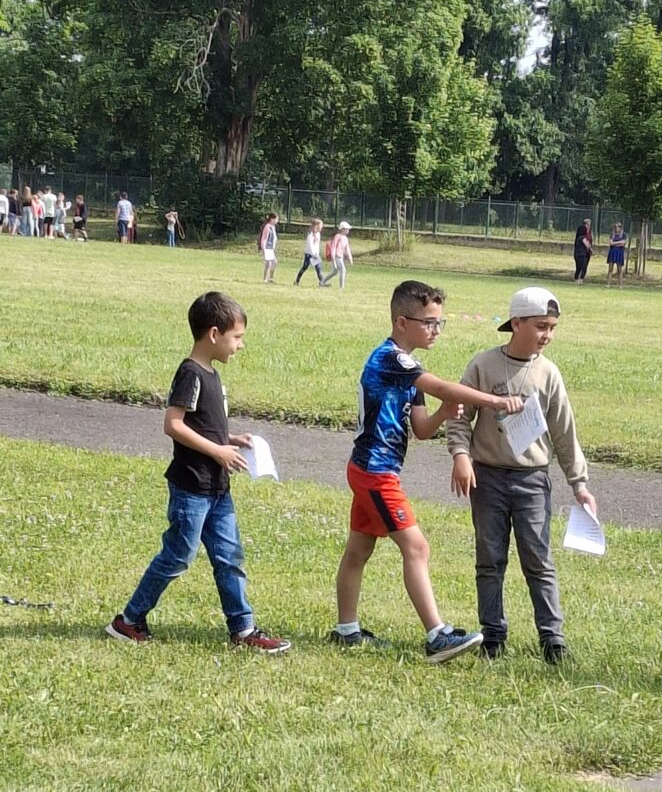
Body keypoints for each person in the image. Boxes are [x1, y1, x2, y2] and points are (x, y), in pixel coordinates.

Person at [331, 280, 525, 663]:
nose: (436, 330)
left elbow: (420, 429)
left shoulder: (409, 368)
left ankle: (346, 630)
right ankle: (437, 636)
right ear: (402, 322)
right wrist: (496, 401)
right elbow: (443, 387)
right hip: (375, 472)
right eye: (429, 322)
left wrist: (442, 413)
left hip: (373, 469)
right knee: (417, 547)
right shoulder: (391, 359)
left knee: (359, 550)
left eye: (439, 323)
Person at [105, 291, 291, 654]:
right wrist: (218, 451)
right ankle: (128, 621)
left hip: (218, 489)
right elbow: (173, 425)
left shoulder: (212, 375)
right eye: (237, 337)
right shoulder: (191, 373)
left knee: (229, 558)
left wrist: (230, 439)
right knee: (178, 555)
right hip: (192, 489)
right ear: (214, 334)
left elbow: (200, 424)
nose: (240, 344)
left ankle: (243, 629)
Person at [447, 287, 597, 664]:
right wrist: (461, 455)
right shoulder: (484, 365)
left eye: (552, 328)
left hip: (532, 480)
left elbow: (564, 433)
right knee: (489, 558)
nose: (547, 335)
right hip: (488, 478)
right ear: (516, 323)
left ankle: (552, 638)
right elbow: (459, 417)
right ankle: (493, 635)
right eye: (541, 326)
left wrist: (579, 484)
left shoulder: (548, 373)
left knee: (538, 558)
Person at [321, 221, 354, 290]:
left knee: (334, 271)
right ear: (342, 229)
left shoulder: (345, 238)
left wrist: (350, 257)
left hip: (340, 257)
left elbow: (347, 248)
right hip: (336, 256)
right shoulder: (338, 236)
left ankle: (322, 282)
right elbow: (333, 247)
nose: (348, 230)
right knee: (343, 270)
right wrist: (333, 257)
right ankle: (342, 287)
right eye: (346, 229)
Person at [294, 218, 325, 286]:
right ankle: (297, 281)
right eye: (321, 226)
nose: (322, 227)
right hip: (309, 254)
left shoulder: (318, 234)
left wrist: (317, 254)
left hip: (315, 255)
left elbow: (317, 245)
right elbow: (310, 245)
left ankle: (322, 282)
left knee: (318, 268)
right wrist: (313, 254)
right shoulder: (310, 235)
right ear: (316, 226)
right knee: (304, 267)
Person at [259, 213, 279, 283]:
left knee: (274, 263)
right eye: (276, 219)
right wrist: (263, 248)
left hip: (271, 248)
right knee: (268, 264)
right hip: (267, 248)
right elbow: (263, 238)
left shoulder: (273, 227)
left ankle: (270, 278)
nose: (277, 221)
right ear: (272, 219)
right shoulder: (267, 227)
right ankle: (265, 279)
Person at [573, 219, 593, 284]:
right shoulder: (583, 238)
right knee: (584, 267)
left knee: (578, 268)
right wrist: (590, 248)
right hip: (582, 254)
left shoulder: (578, 238)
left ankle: (576, 280)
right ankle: (580, 280)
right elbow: (587, 245)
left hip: (577, 254)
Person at [606, 222, 626, 288]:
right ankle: (608, 284)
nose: (616, 228)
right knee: (610, 269)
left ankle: (620, 285)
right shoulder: (612, 234)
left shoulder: (623, 234)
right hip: (612, 252)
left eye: (618, 226)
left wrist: (614, 243)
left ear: (620, 228)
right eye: (615, 227)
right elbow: (610, 243)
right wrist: (619, 243)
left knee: (619, 270)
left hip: (619, 253)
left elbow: (623, 243)